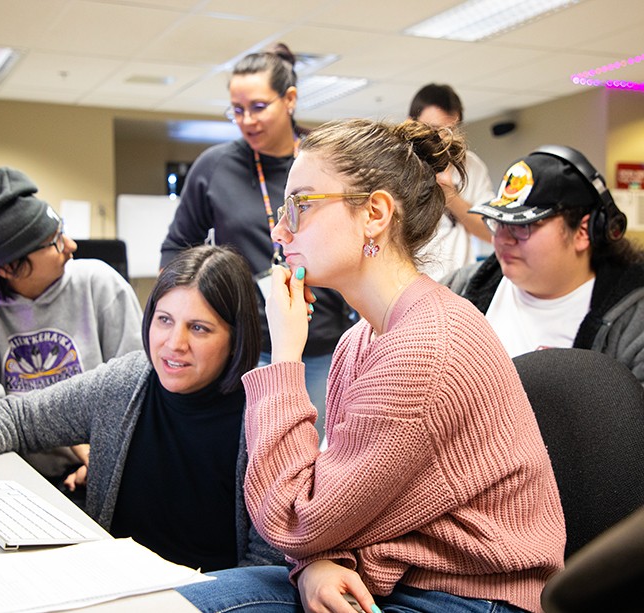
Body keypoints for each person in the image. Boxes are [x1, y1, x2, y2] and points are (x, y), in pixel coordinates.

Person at [176, 119, 565, 613]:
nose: (279, 229)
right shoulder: (361, 338)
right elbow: (333, 511)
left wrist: (286, 355)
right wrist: (313, 563)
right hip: (403, 576)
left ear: (375, 213)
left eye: (300, 205)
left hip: (469, 598)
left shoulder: (423, 349)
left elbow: (296, 519)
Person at [0, 245, 283, 572]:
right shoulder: (127, 381)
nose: (173, 344)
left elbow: (268, 568)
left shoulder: (268, 416)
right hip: (106, 581)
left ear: (237, 335)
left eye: (199, 328)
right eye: (163, 320)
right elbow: (21, 417)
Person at [160, 43, 353, 440]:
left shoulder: (325, 161)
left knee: (310, 455)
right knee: (251, 456)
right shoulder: (214, 167)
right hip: (246, 346)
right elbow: (175, 248)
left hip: (322, 343)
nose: (246, 120)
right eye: (237, 109)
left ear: (290, 100)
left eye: (259, 107)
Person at [0, 166, 143, 488]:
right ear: (7, 266)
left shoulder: (99, 284)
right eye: (54, 242)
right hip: (18, 479)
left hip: (106, 468)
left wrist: (104, 457)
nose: (71, 245)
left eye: (63, 231)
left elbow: (136, 388)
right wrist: (76, 443)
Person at [444, 146, 644, 382]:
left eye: (523, 226)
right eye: (498, 222)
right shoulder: (458, 290)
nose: (503, 239)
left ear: (582, 232)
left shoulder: (634, 324)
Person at [409, 83, 496, 280]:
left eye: (450, 130)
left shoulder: (472, 165)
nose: (442, 139)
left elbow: (491, 233)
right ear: (410, 123)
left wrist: (450, 196)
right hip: (411, 285)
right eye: (433, 129)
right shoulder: (397, 167)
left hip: (459, 286)